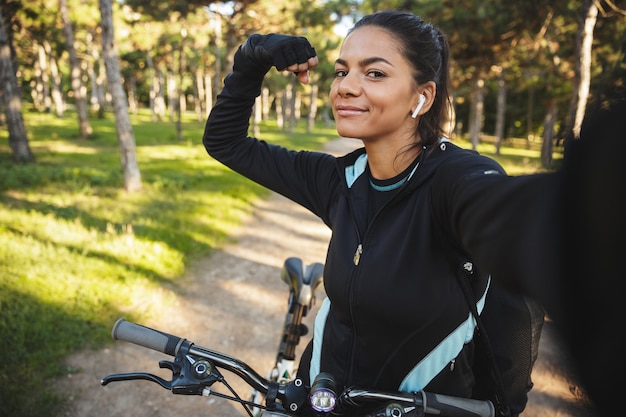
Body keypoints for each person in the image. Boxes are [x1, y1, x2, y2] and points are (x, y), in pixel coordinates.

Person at [203, 10, 615, 417]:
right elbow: (226, 142)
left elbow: (517, 219)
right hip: (319, 399)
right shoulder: (341, 179)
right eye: (341, 71)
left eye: (375, 73)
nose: (346, 87)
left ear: (423, 96)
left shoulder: (457, 180)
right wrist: (252, 57)